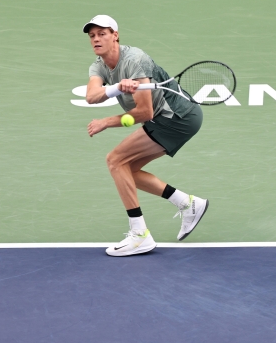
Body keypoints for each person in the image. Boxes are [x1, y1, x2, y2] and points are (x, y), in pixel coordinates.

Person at [82, 15, 209, 257]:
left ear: (115, 36)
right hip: (165, 119)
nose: (96, 39)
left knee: (115, 160)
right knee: (126, 170)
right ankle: (188, 204)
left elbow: (143, 112)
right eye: (92, 36)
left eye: (102, 33)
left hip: (177, 117)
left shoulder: (135, 61)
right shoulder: (98, 65)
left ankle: (140, 235)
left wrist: (106, 122)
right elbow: (91, 96)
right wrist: (118, 87)